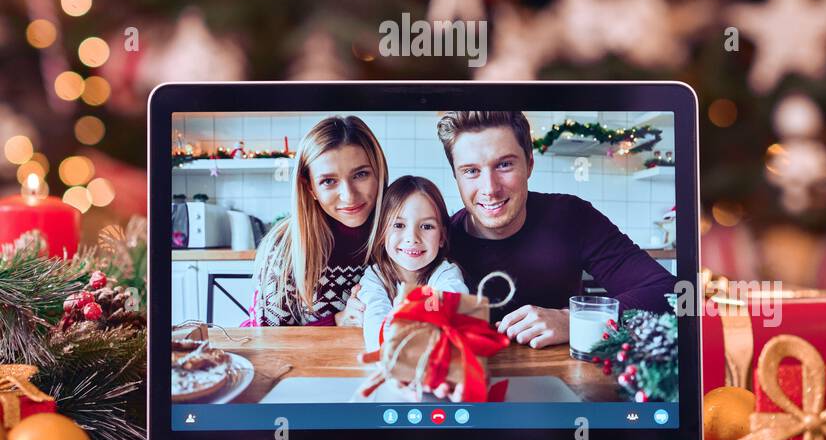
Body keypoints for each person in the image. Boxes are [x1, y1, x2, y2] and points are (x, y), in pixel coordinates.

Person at [437, 109, 673, 349]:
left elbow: (670, 292)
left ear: (529, 164)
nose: (490, 188)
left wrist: (575, 320)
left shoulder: (571, 216)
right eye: (471, 171)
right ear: (456, 176)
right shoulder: (439, 240)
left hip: (571, 381)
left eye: (505, 165)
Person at [247, 114, 387, 326]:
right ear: (310, 187)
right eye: (329, 181)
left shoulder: (399, 235)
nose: (349, 195)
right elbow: (268, 342)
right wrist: (338, 322)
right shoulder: (284, 248)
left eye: (360, 175)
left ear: (379, 172)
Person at [360, 175, 467, 351]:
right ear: (382, 232)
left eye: (426, 226)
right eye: (399, 225)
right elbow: (375, 321)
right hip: (391, 366)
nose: (412, 238)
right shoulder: (374, 277)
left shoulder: (446, 273)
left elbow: (451, 309)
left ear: (442, 236)